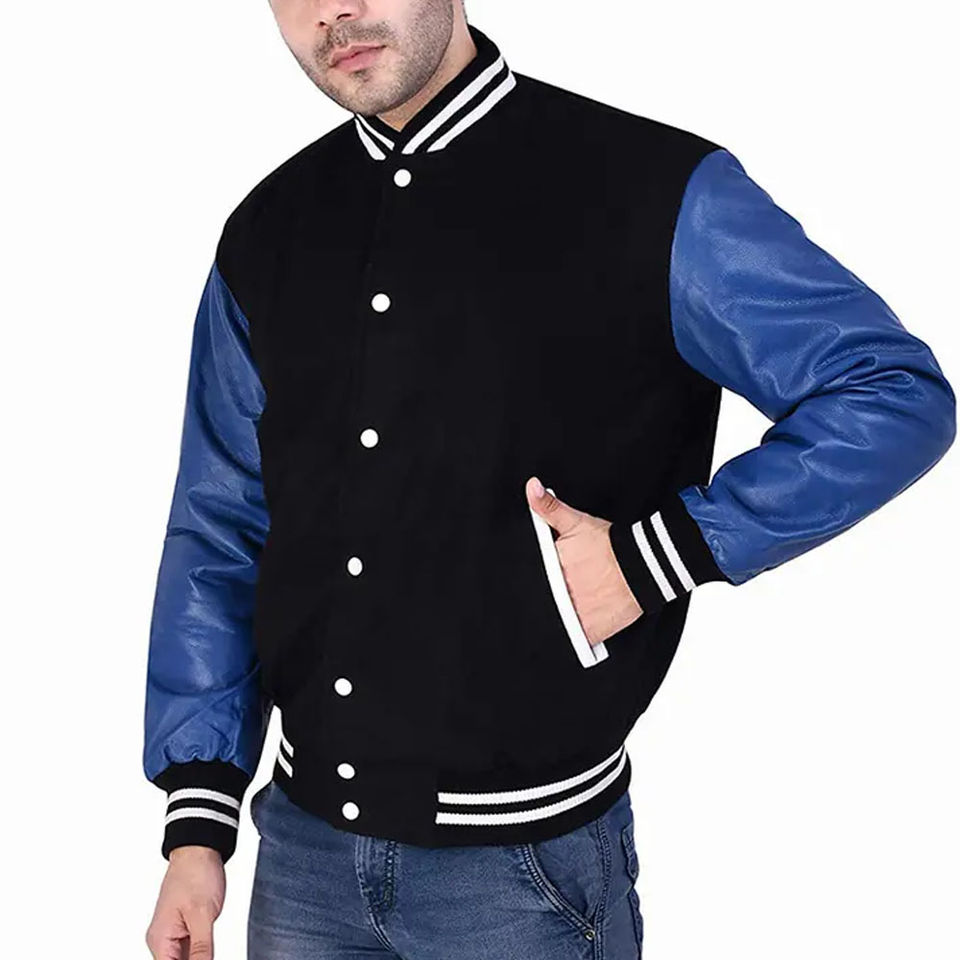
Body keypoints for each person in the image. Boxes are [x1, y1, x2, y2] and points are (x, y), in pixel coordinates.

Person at [142, 1, 956, 958]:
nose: (337, 10)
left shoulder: (651, 189)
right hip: (299, 864)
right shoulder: (268, 230)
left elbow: (887, 392)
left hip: (522, 879)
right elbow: (223, 524)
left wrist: (660, 556)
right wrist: (198, 826)